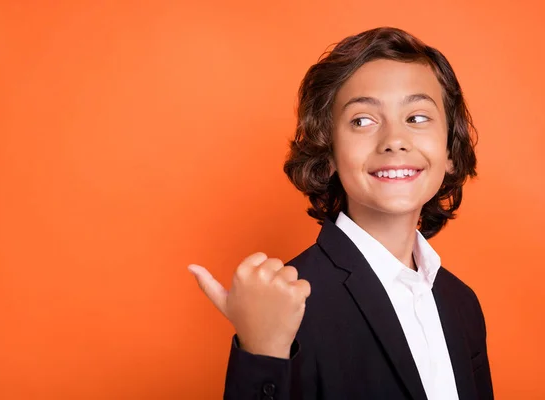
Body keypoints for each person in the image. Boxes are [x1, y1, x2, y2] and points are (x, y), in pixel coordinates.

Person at [188, 26, 493, 400]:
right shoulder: (290, 306)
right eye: (363, 120)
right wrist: (262, 353)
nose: (395, 140)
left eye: (417, 118)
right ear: (328, 152)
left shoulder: (462, 304)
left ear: (449, 150)